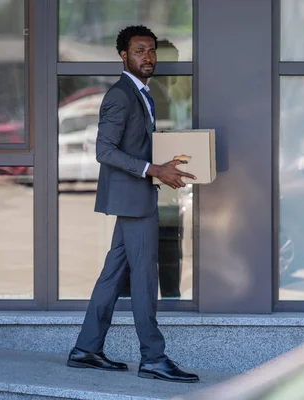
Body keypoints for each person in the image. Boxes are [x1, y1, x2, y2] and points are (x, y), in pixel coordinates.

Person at [66, 25, 199, 384]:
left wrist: (166, 159)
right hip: (134, 201)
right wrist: (153, 169)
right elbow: (104, 151)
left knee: (112, 276)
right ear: (123, 55)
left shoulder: (144, 94)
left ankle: (86, 349)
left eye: (152, 50)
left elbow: (136, 144)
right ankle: (153, 358)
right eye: (140, 51)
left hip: (136, 198)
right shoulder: (121, 95)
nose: (148, 57)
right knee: (144, 279)